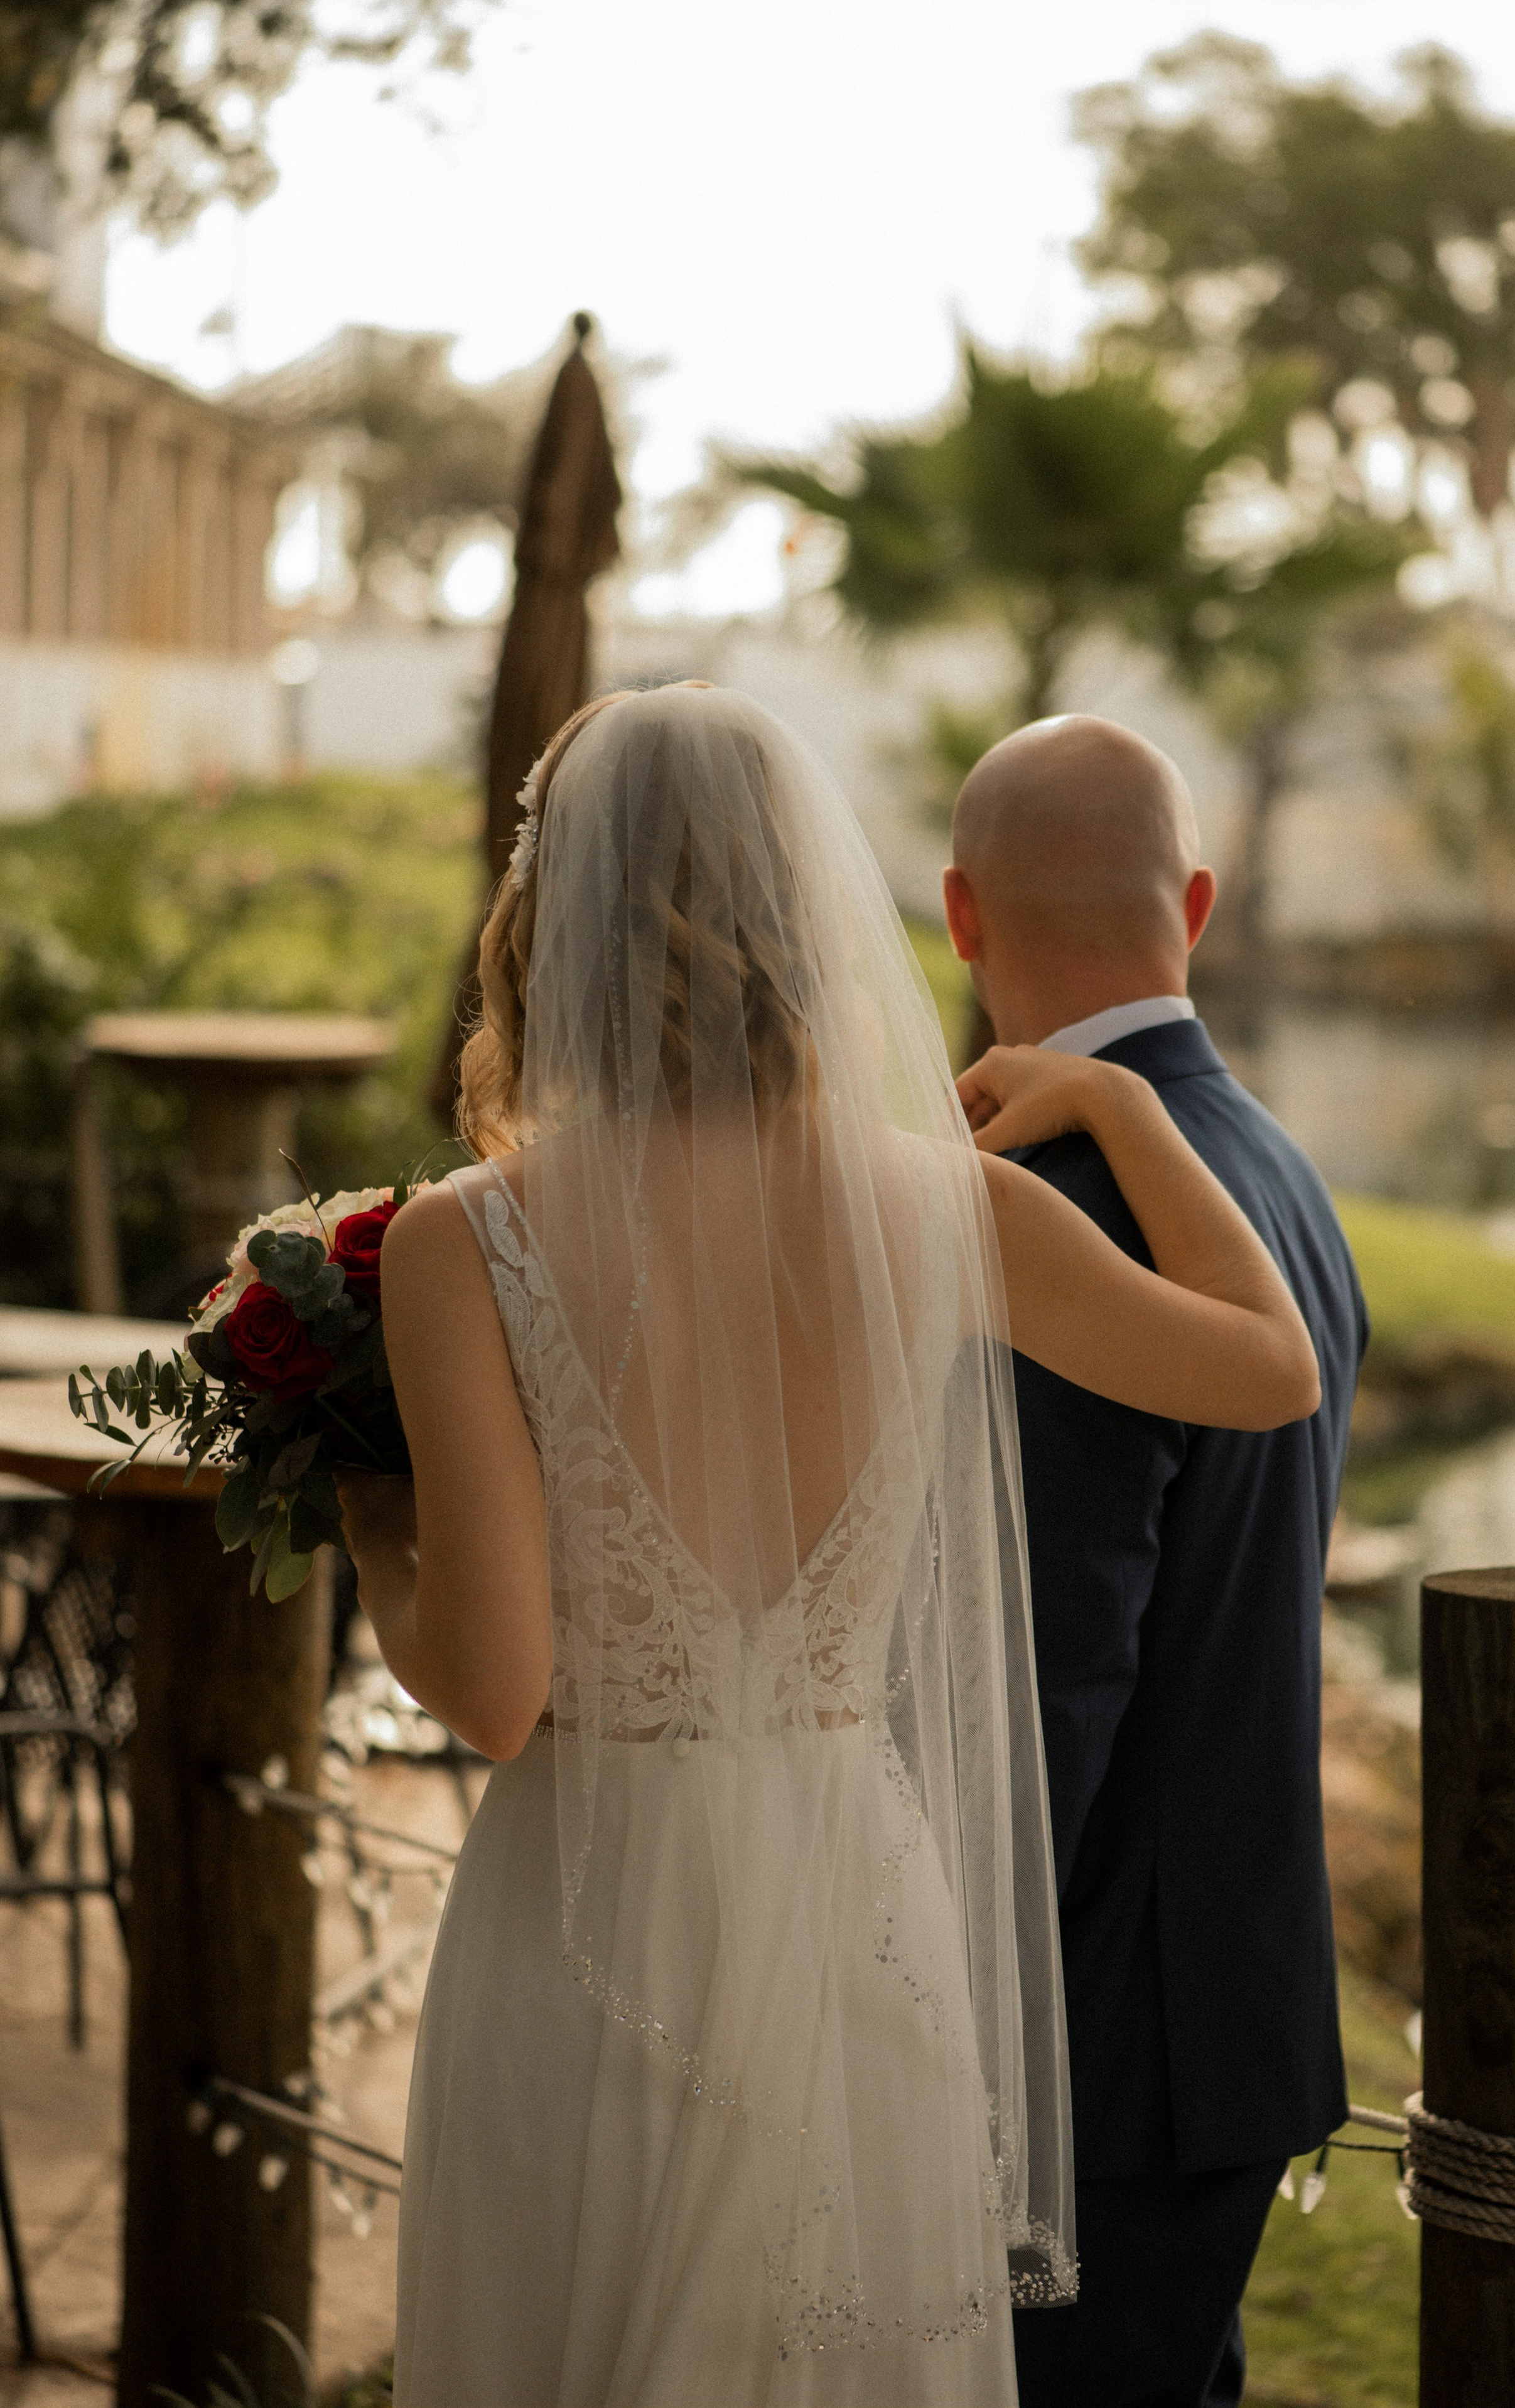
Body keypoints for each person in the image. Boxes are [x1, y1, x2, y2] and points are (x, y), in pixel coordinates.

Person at [338, 684, 1320, 2408]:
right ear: (807, 913)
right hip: (861, 1900)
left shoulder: (464, 1243)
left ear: (543, 911)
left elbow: (494, 1695)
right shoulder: (940, 1202)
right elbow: (1272, 1364)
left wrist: (373, 1532)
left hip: (587, 1913)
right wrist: (1124, 1111)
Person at [944, 714, 1368, 2408]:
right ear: (1191, 898)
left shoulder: (1061, 1202)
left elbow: (1060, 1661)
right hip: (1229, 1992)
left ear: (963, 917)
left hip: (1099, 2035)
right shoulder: (1270, 1169)